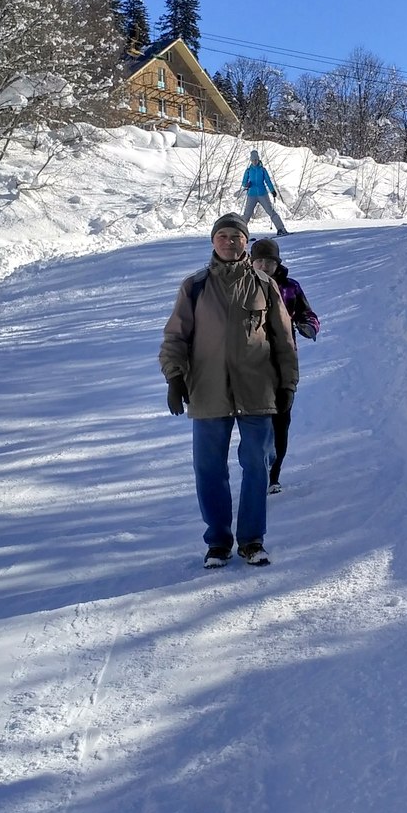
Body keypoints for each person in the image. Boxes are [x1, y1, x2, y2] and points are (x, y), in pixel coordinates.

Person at [159, 213, 299, 567]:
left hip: (257, 390)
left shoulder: (264, 285)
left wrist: (287, 384)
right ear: (213, 241)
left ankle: (252, 540)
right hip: (208, 390)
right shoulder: (195, 286)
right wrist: (174, 378)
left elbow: (284, 340)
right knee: (209, 469)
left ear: (245, 242)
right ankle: (218, 542)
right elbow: (175, 336)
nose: (229, 242)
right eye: (222, 235)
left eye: (236, 236)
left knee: (257, 465)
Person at [249, 237, 319, 494]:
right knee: (257, 422)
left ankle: (273, 476)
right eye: (259, 261)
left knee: (281, 420)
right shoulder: (243, 287)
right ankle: (257, 470)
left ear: (277, 264)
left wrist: (308, 326)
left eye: (270, 261)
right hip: (252, 365)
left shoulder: (290, 287)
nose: (264, 266)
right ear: (251, 262)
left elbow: (307, 313)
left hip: (283, 365)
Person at [240, 149, 289, 234]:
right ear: (251, 160)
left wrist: (272, 191)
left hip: (262, 194)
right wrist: (247, 184)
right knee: (247, 214)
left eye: (256, 160)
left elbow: (268, 181)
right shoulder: (248, 170)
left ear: (258, 159)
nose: (254, 162)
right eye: (253, 160)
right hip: (251, 194)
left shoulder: (262, 170)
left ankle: (281, 229)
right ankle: (240, 231)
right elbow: (243, 183)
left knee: (271, 211)